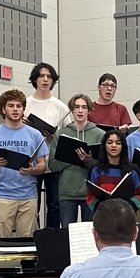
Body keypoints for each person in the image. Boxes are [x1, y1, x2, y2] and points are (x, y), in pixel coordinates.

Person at [0, 89, 49, 238]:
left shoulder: (35, 134)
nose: (15, 109)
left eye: (19, 106)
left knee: (29, 243)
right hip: (2, 195)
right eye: (11, 105)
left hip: (28, 196)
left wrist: (32, 169)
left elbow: (43, 165)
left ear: (24, 109)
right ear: (3, 109)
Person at [25, 62, 70, 229]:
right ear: (35, 79)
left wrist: (54, 136)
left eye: (49, 76)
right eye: (41, 76)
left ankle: (52, 238)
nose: (45, 80)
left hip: (54, 163)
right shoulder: (26, 103)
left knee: (55, 204)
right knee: (31, 205)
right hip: (32, 162)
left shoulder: (60, 106)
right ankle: (35, 239)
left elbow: (68, 136)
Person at [48, 93, 105, 226]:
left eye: (84, 107)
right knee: (67, 234)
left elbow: (104, 167)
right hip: (67, 192)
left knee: (90, 233)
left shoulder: (100, 134)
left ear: (89, 110)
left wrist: (88, 161)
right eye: (77, 107)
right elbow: (52, 165)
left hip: (90, 192)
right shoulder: (60, 134)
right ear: (72, 110)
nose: (80, 111)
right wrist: (71, 157)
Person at [86, 129, 140, 212]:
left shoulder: (133, 170)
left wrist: (127, 207)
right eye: (110, 142)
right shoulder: (95, 170)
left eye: (118, 143)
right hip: (103, 215)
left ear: (123, 146)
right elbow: (90, 196)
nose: (114, 145)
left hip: (126, 215)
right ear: (104, 145)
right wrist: (102, 207)